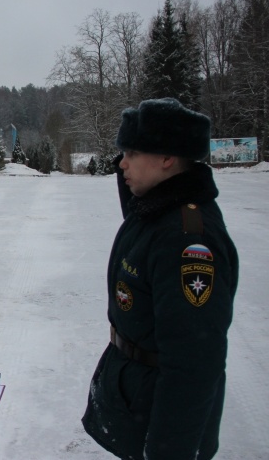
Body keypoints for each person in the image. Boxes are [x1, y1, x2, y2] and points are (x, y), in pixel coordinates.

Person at [82, 98, 239, 460]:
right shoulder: (154, 208)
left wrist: (169, 451)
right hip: (137, 397)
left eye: (132, 153)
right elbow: (135, 201)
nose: (122, 164)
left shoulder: (187, 239)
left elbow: (193, 363)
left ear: (167, 159)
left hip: (160, 417)